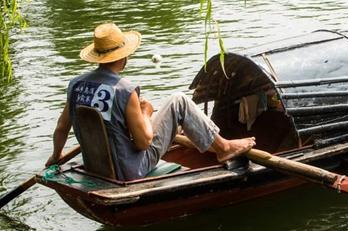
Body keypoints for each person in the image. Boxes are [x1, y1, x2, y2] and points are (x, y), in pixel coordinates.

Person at [46, 23, 255, 180]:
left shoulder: (76, 85)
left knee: (162, 115)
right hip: (131, 170)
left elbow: (62, 128)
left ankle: (203, 138)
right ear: (123, 57)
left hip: (96, 167)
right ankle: (224, 147)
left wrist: (57, 155)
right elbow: (144, 142)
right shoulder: (124, 90)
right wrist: (146, 112)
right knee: (178, 101)